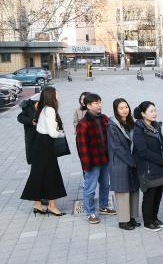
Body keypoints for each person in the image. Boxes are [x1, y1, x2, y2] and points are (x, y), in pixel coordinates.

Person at [20, 86, 67, 216]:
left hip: (40, 145)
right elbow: (52, 133)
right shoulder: (50, 109)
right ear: (51, 95)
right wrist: (61, 134)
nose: (58, 94)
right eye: (56, 93)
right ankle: (52, 206)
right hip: (46, 146)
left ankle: (38, 204)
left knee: (38, 174)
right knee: (52, 174)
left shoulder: (43, 108)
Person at [76, 93, 117, 224]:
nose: (99, 105)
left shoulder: (104, 118)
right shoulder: (83, 124)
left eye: (100, 102)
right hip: (92, 163)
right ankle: (90, 212)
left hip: (105, 159)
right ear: (88, 105)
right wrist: (86, 165)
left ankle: (103, 206)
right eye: (95, 103)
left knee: (106, 185)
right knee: (90, 188)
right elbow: (81, 147)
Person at [132, 101, 163, 232]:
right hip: (148, 168)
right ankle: (148, 222)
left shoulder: (156, 126)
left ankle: (155, 218)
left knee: (158, 194)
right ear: (143, 114)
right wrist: (161, 160)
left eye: (155, 110)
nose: (154, 113)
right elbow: (143, 151)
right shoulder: (138, 130)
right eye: (151, 111)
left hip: (159, 166)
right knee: (150, 196)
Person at [107, 98, 141, 230]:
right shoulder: (112, 125)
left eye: (126, 107)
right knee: (123, 192)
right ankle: (123, 221)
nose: (124, 110)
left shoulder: (131, 122)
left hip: (132, 161)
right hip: (120, 163)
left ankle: (131, 217)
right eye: (121, 108)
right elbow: (117, 147)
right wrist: (133, 161)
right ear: (116, 110)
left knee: (133, 190)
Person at [17, 98, 39, 165]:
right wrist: (31, 121)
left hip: (42, 136)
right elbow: (20, 117)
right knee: (34, 160)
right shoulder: (29, 107)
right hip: (31, 136)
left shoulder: (47, 108)